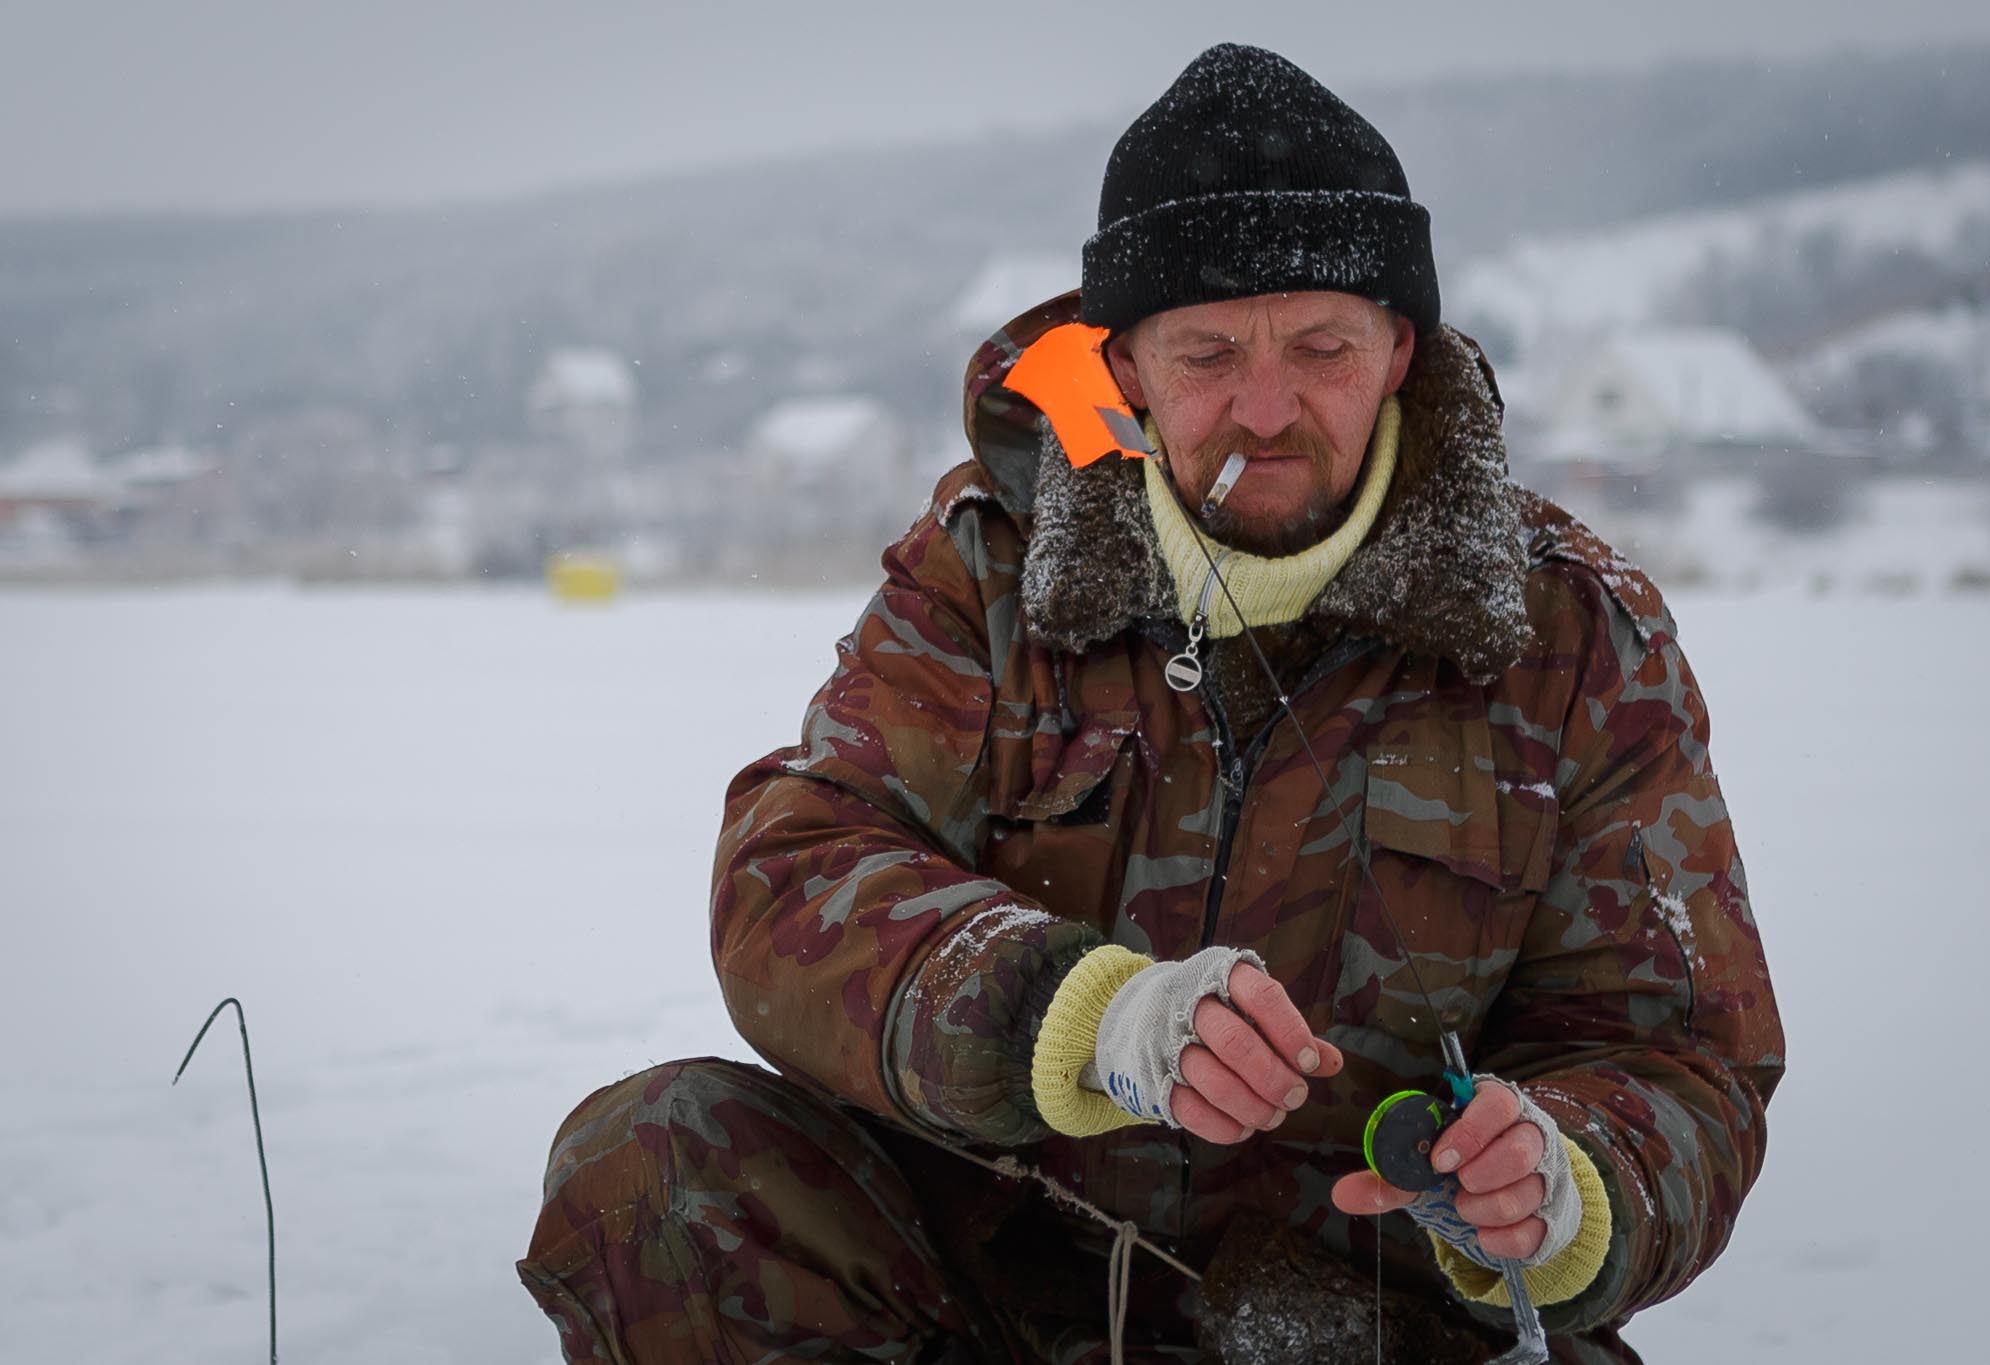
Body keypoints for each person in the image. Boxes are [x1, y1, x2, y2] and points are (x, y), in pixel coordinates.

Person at [519, 43, 1783, 1365]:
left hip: (1379, 1319)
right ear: (1122, 365)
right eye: (1208, 354)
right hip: (996, 1289)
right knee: (657, 1167)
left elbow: (1683, 1061)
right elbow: (791, 877)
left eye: (1321, 346)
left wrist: (1564, 1185)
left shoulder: (1575, 636)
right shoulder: (990, 569)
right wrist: (1080, 1015)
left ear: (1400, 347)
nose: (1268, 406)